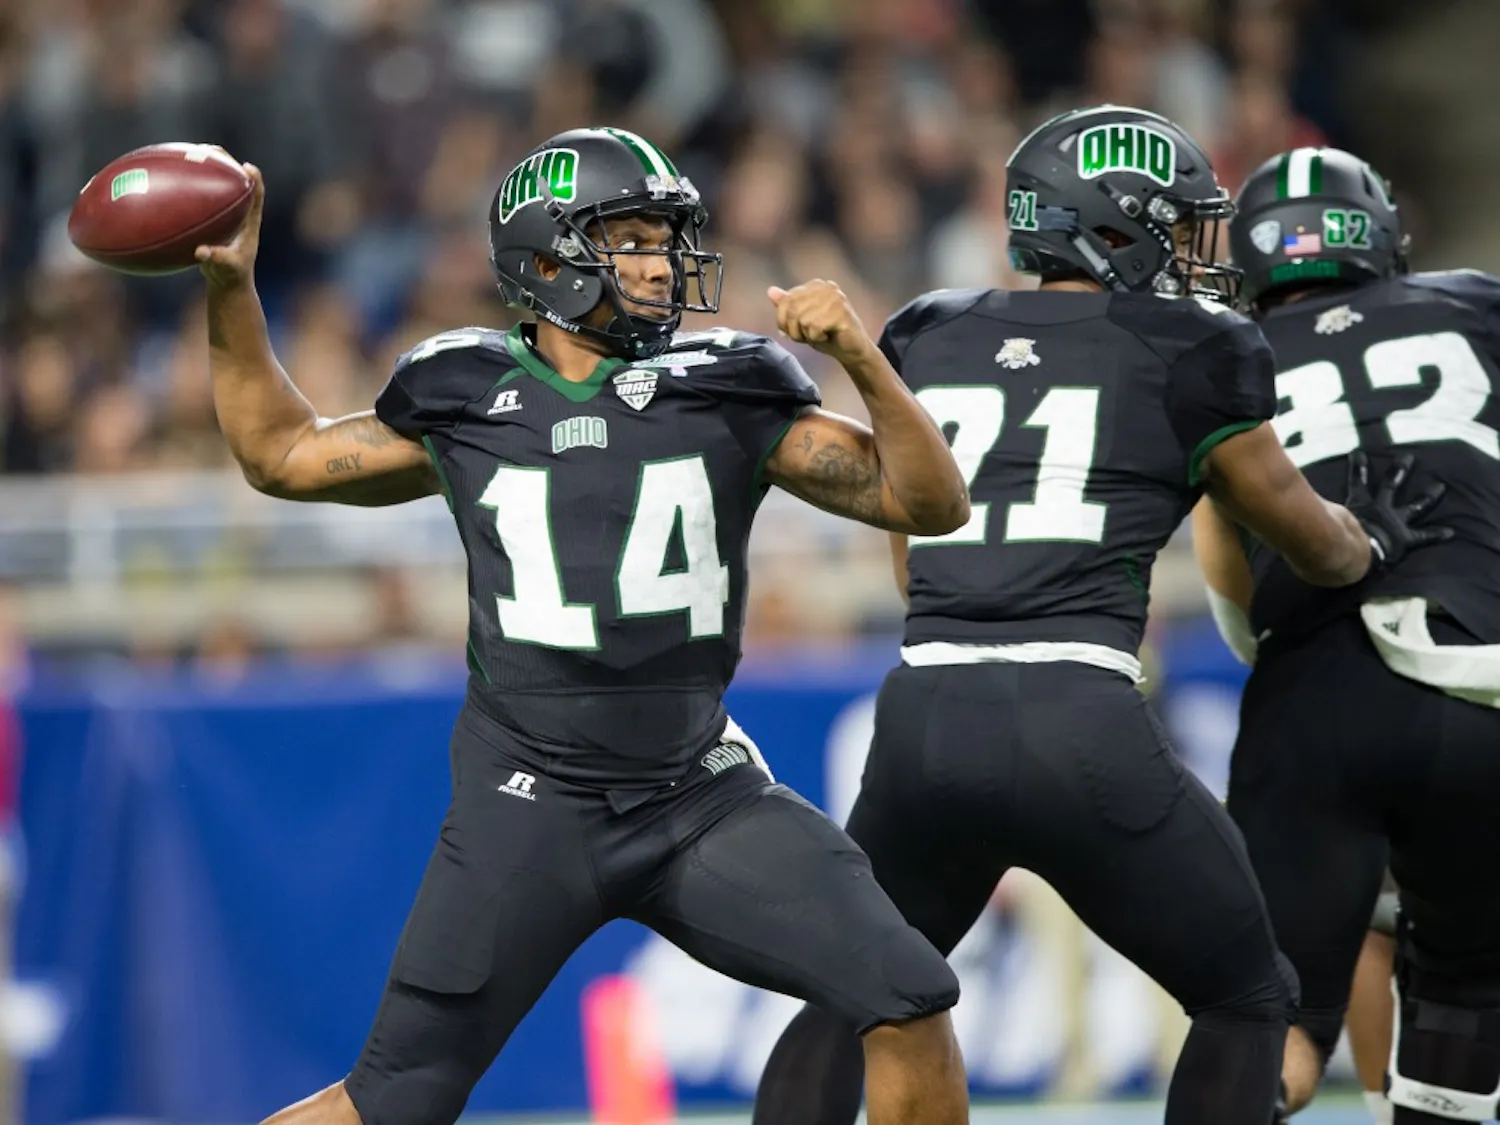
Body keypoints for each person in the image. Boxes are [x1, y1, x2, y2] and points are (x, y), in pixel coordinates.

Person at [193, 127, 974, 1125]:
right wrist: (231, 289)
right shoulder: (464, 392)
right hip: (531, 799)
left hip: (699, 793)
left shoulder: (730, 384)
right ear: (551, 261)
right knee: (395, 1100)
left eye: (666, 236)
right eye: (634, 238)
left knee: (911, 999)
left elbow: (930, 504)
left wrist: (861, 359)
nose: (662, 262)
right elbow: (281, 453)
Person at [751, 106, 1445, 1125]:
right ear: (1117, 230)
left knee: (852, 997)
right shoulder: (1199, 347)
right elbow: (1312, 540)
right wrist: (1374, 535)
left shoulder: (933, 329)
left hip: (926, 714)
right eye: (1174, 223)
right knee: (1249, 997)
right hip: (1080, 718)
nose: (1191, 249)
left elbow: (914, 558)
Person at [1195, 145, 1500, 1125]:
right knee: (1460, 991)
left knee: (1271, 1021)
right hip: (1478, 676)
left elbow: (1235, 598)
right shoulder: (1473, 307)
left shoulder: (1217, 358)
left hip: (1318, 688)